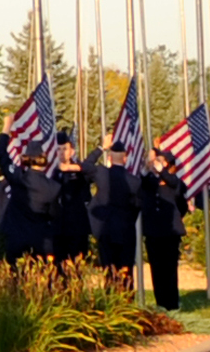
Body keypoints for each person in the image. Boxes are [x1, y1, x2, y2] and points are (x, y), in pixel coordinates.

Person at [139, 146, 190, 310]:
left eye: (159, 161)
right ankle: (161, 302)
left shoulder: (172, 179)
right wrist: (147, 170)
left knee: (170, 268)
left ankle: (172, 302)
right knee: (156, 268)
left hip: (170, 232)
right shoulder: (149, 181)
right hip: (153, 231)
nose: (155, 163)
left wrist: (163, 172)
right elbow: (139, 183)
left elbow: (178, 189)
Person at [87, 142, 141, 289]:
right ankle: (126, 302)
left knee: (108, 270)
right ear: (125, 159)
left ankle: (110, 300)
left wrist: (100, 148)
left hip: (105, 229)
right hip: (125, 230)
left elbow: (86, 165)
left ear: (109, 158)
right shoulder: (134, 181)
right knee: (126, 271)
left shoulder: (101, 173)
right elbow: (137, 205)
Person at [0, 140, 60, 260]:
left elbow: (2, 157)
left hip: (14, 236)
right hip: (39, 239)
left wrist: (5, 131)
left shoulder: (19, 177)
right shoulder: (53, 187)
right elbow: (54, 213)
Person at [50, 130, 92, 262]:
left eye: (65, 149)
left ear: (71, 151)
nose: (61, 152)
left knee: (77, 266)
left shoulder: (79, 171)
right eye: (58, 149)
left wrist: (72, 168)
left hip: (76, 227)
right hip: (57, 228)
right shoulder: (51, 172)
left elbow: (90, 170)